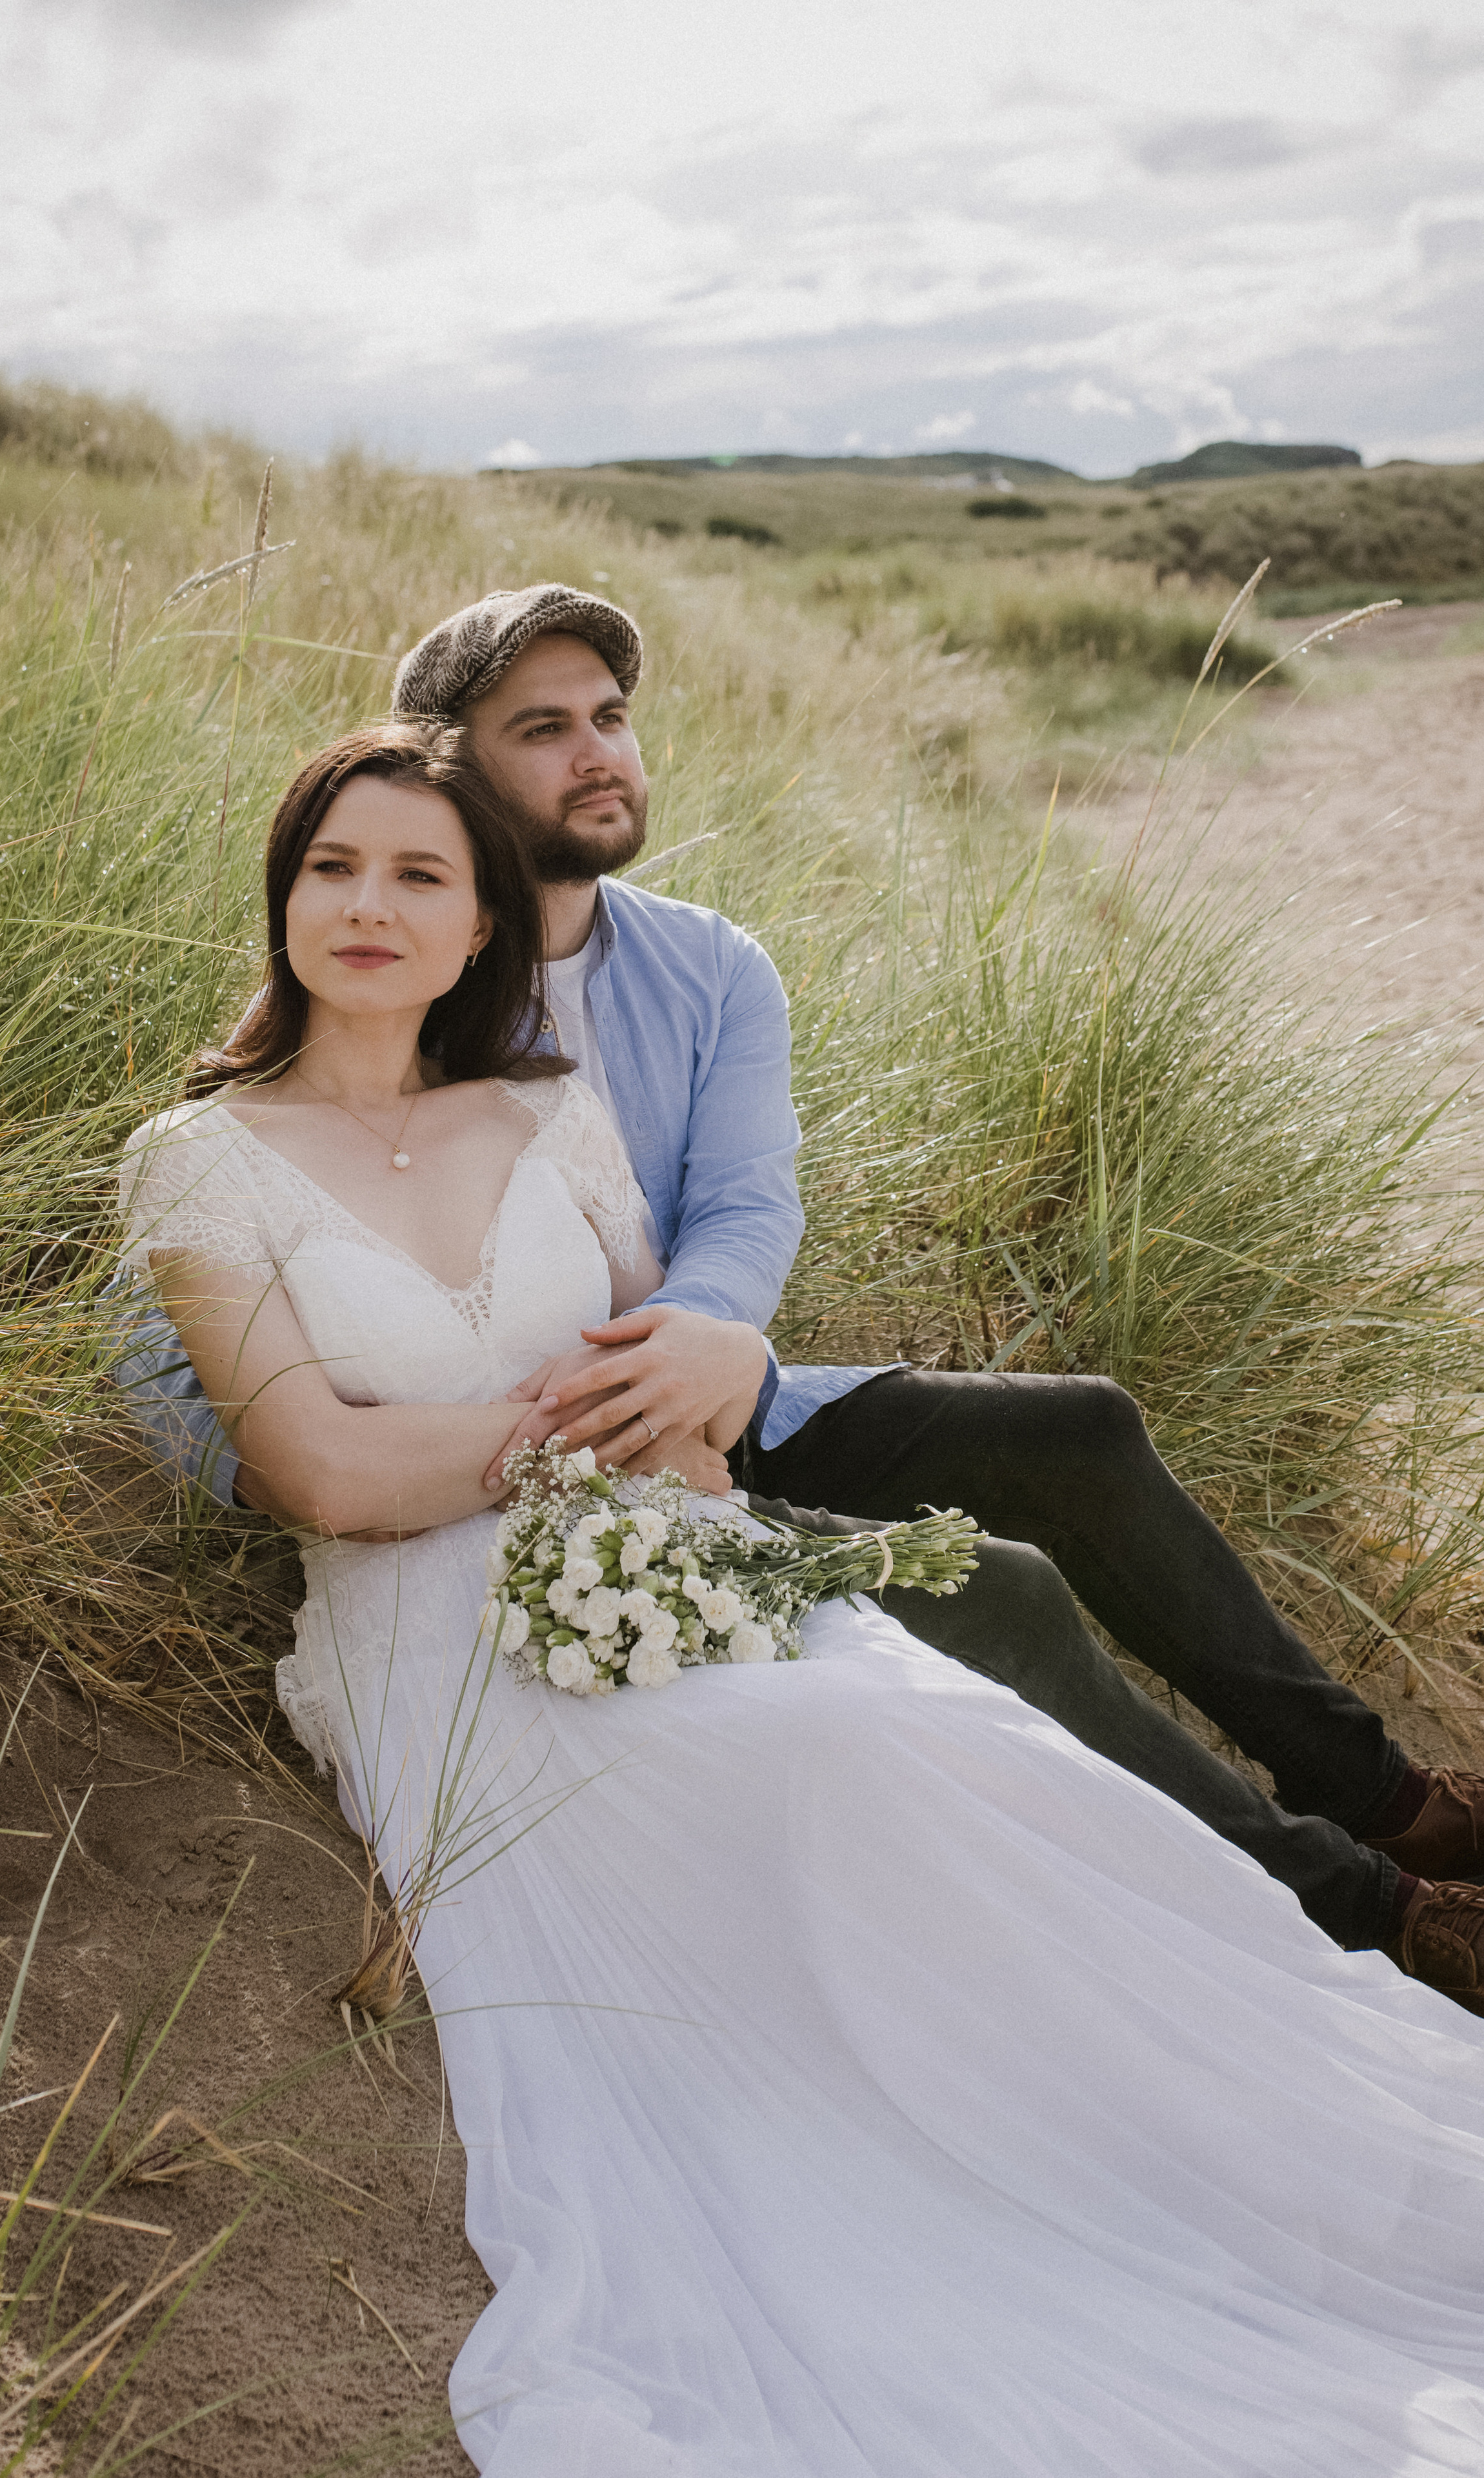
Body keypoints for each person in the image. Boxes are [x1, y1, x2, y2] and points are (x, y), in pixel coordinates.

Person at [117, 715, 1484, 2477]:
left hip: (665, 1561)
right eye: (331, 866)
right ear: (283, 896)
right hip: (438, 1632)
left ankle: (1185, 2133)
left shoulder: (547, 1108)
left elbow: (679, 1424)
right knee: (834, 1751)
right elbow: (317, 1470)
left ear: (483, 931)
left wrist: (646, 1479)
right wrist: (563, 1453)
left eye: (419, 876)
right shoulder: (201, 1160)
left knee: (949, 1725)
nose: (367, 905)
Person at [114, 582, 1484, 2010]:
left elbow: (746, 1202)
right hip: (491, 1480)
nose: (597, 755)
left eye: (611, 720)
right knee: (985, 1606)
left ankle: (1382, 1802)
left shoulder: (703, 966)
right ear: (447, 761)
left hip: (702, 1401)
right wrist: (340, 1472)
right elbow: (214, 1341)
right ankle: (1354, 1912)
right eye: (543, 730)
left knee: (1075, 1433)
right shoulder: (372, 1006)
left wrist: (704, 1342)